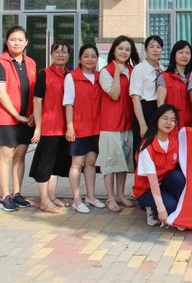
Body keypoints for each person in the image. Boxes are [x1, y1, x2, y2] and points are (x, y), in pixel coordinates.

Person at [0, 26, 37, 212]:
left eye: (20, 39)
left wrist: (32, 114)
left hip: (26, 118)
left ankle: (17, 193)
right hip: (6, 119)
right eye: (12, 39)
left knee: (20, 156)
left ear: (26, 42)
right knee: (6, 157)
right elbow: (0, 93)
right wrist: (16, 115)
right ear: (6, 41)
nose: (16, 43)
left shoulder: (31, 63)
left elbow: (33, 91)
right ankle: (4, 197)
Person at [29, 42, 72, 213]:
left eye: (64, 52)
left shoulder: (69, 75)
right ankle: (44, 201)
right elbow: (37, 101)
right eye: (57, 51)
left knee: (55, 165)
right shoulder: (44, 74)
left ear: (68, 55)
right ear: (51, 54)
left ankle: (51, 196)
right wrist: (38, 128)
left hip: (64, 128)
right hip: (49, 127)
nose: (61, 55)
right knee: (45, 164)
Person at [99, 35, 140, 212]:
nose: (124, 52)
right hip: (110, 125)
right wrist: (117, 73)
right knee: (110, 164)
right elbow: (114, 95)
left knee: (123, 163)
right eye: (120, 48)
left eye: (127, 49)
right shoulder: (106, 71)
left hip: (128, 124)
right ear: (114, 50)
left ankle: (121, 195)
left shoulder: (133, 70)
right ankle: (110, 198)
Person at [63, 44, 105, 213]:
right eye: (86, 56)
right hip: (79, 128)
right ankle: (77, 200)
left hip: (96, 128)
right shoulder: (72, 77)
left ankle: (90, 197)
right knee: (77, 163)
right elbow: (68, 103)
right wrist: (70, 127)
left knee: (91, 162)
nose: (90, 59)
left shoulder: (100, 77)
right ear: (80, 58)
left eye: (93, 56)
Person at [133, 104, 186, 228]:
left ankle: (180, 209)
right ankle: (152, 207)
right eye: (165, 118)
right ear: (157, 119)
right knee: (171, 206)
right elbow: (152, 181)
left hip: (164, 183)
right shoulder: (146, 147)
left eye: (173, 120)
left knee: (177, 176)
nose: (169, 123)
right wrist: (161, 209)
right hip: (146, 189)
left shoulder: (175, 140)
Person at [130, 35, 164, 158]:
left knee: (157, 151)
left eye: (158, 47)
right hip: (144, 111)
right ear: (145, 49)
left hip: (159, 111)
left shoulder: (163, 69)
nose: (155, 50)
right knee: (143, 151)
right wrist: (142, 125)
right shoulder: (139, 69)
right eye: (151, 47)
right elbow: (135, 98)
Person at [156, 40, 192, 129]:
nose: (184, 56)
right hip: (171, 125)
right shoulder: (164, 76)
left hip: (191, 126)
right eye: (181, 52)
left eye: (187, 53)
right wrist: (166, 121)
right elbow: (160, 102)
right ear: (174, 55)